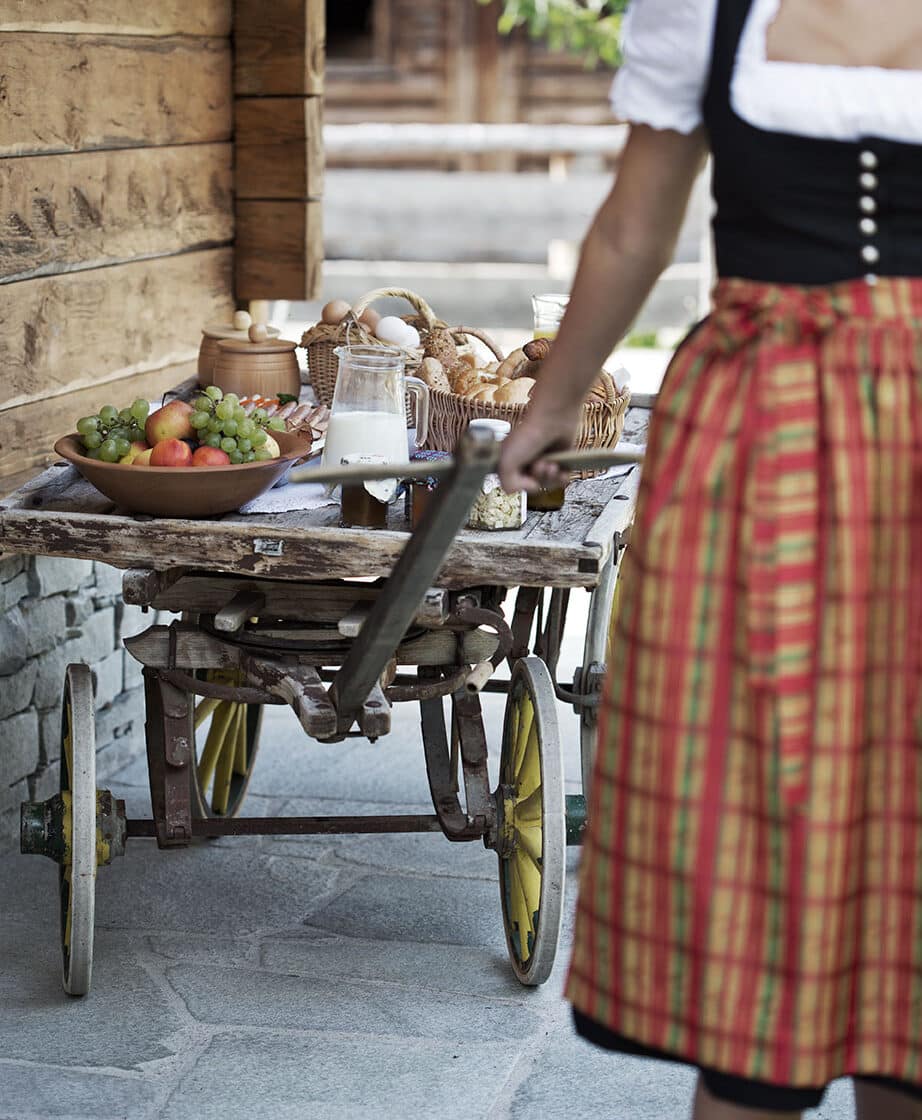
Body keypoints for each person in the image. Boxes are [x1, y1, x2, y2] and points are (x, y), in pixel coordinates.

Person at [498, 1, 922, 1117]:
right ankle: (755, 1042)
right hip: (761, 438)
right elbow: (635, 228)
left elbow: (634, 229)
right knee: (751, 775)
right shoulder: (709, 7)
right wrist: (546, 411)